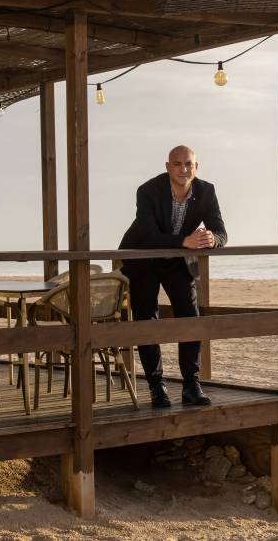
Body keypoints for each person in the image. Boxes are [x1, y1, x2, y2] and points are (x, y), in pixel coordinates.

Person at [119, 145, 227, 408]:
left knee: (190, 318)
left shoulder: (206, 191)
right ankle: (157, 387)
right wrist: (185, 241)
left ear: (196, 167)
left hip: (177, 259)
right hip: (142, 257)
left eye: (188, 164)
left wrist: (213, 239)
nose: (183, 169)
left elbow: (222, 232)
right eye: (177, 164)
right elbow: (149, 234)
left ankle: (192, 385)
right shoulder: (148, 190)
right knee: (147, 321)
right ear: (168, 166)